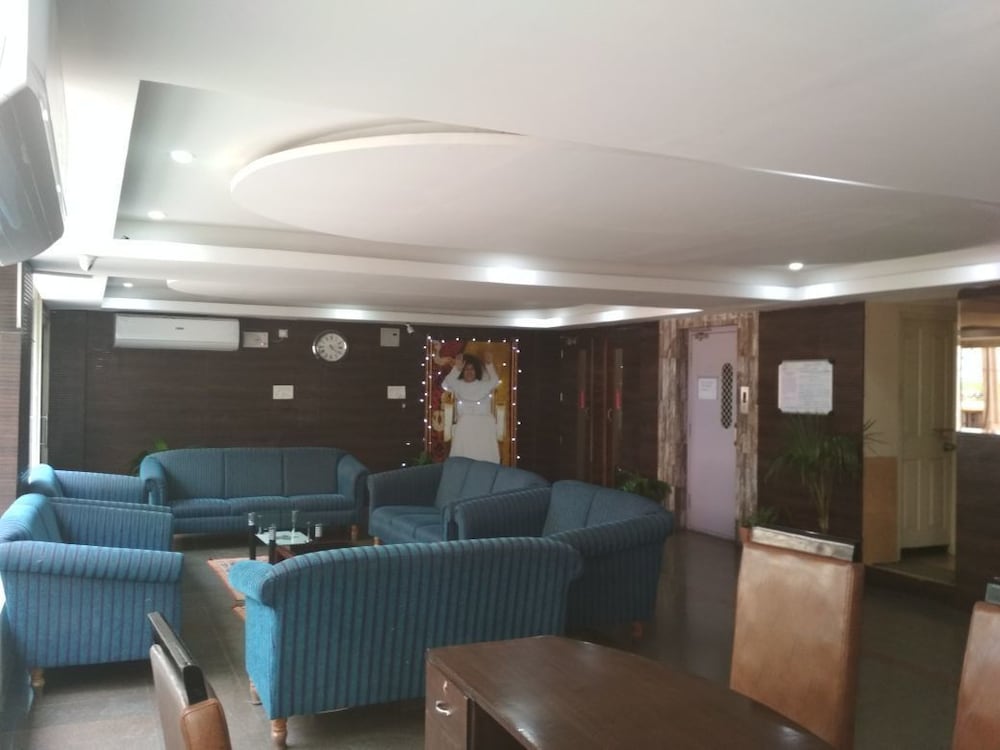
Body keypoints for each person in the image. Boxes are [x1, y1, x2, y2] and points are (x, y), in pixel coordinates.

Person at [441, 351, 501, 463]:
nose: (469, 372)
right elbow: (445, 384)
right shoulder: (457, 384)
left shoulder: (484, 384)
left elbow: (495, 381)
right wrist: (456, 369)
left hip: (483, 425)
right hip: (465, 426)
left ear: (476, 371)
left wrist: (489, 364)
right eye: (466, 369)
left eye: (472, 369)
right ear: (463, 371)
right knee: (464, 425)